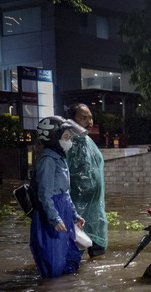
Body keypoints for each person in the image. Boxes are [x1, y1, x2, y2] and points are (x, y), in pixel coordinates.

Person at [30, 116, 87, 278]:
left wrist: (75, 215)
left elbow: (65, 192)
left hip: (64, 208)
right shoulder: (48, 161)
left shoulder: (60, 159)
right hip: (53, 213)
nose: (69, 141)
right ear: (53, 139)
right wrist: (55, 219)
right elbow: (44, 195)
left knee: (69, 254)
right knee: (54, 258)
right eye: (66, 137)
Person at [66, 103, 108, 258]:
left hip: (96, 209)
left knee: (98, 254)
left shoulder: (89, 141)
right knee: (74, 253)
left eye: (90, 118)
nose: (89, 122)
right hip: (78, 210)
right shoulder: (68, 143)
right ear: (72, 120)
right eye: (83, 118)